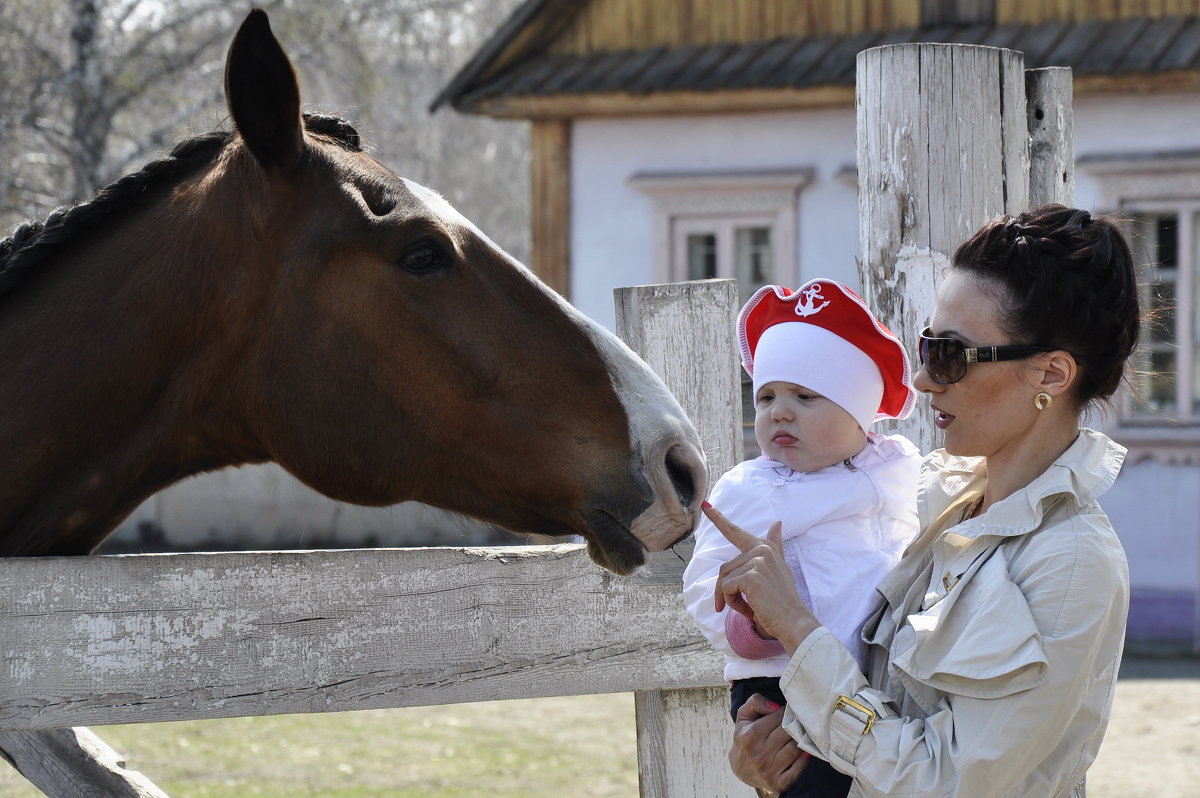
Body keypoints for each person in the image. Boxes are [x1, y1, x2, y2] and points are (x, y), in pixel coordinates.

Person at [706, 205, 1140, 798]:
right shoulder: (921, 496)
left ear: (1052, 375)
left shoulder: (1070, 562)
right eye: (927, 347)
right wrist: (775, 757)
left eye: (951, 355)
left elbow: (946, 782)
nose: (924, 380)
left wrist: (798, 630)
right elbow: (870, 710)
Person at [683, 278, 922, 797]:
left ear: (859, 415)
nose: (779, 412)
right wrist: (754, 626)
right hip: (781, 683)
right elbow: (704, 583)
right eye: (766, 396)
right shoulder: (750, 488)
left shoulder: (898, 472)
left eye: (806, 395)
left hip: (875, 682)